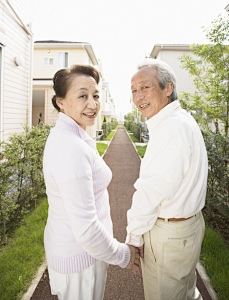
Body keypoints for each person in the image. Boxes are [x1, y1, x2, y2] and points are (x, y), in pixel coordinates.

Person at [43, 64, 140, 300]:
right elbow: (86, 228)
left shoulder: (73, 135)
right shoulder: (70, 148)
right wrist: (123, 255)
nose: (93, 103)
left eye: (96, 95)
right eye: (82, 96)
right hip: (81, 263)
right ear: (61, 102)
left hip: (78, 256)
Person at [126, 58, 208, 300]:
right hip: (187, 228)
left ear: (168, 88)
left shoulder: (171, 129)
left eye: (145, 87)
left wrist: (133, 236)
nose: (138, 96)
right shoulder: (179, 120)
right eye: (133, 90)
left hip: (170, 235)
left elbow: (151, 191)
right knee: (185, 291)